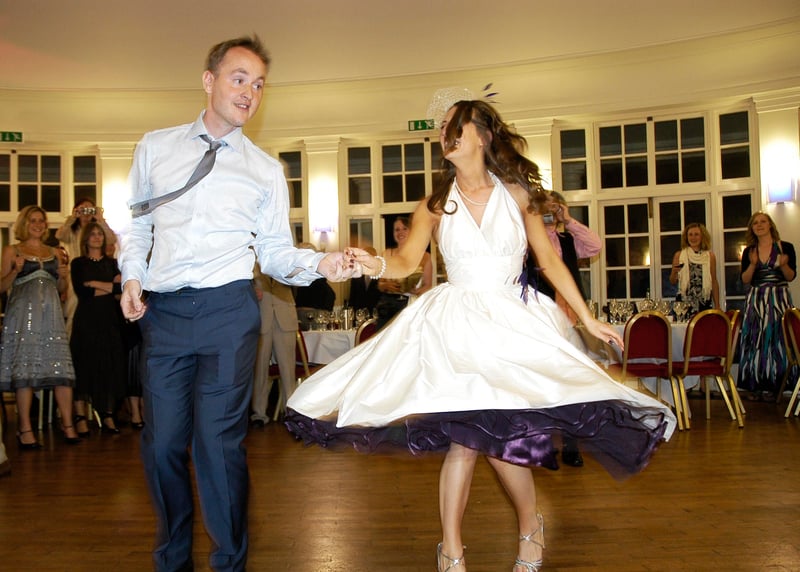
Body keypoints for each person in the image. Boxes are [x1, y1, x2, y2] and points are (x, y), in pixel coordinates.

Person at [285, 99, 676, 572]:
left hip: (509, 326)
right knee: (466, 440)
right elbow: (405, 263)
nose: (444, 132)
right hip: (455, 327)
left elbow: (549, 262)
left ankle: (530, 525)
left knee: (498, 438)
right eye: (442, 126)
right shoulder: (435, 204)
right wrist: (375, 262)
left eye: (454, 124)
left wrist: (587, 318)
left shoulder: (517, 195)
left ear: (483, 136)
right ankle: (451, 549)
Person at [118, 35, 355, 572]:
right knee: (161, 446)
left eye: (260, 84)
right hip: (164, 314)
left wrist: (320, 263)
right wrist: (132, 277)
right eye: (239, 78)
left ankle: (230, 563)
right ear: (209, 81)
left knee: (218, 445)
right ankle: (172, 559)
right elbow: (138, 226)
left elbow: (274, 253)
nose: (250, 92)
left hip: (228, 312)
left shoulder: (265, 170)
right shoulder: (155, 147)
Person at [526, 190, 602, 468]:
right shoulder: (527, 241)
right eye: (544, 208)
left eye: (553, 208)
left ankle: (571, 445)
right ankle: (543, 444)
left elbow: (594, 246)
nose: (549, 213)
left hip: (568, 320)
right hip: (537, 321)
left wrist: (568, 220)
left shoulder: (568, 240)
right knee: (541, 384)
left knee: (571, 383)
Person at [0, 205, 79, 448]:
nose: (38, 224)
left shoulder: (55, 252)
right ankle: (25, 429)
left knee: (61, 369)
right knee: (25, 371)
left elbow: (62, 290)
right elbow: (2, 286)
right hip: (23, 317)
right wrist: (16, 270)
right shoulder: (12, 250)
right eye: (33, 220)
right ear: (24, 223)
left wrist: (64, 277)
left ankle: (68, 425)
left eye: (41, 220)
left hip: (51, 317)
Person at [70, 222, 127, 435]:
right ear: (86, 239)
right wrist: (108, 287)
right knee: (84, 364)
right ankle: (80, 417)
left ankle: (108, 414)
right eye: (92, 234)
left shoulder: (113, 263)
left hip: (109, 319)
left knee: (109, 365)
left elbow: (120, 289)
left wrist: (94, 283)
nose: (96, 237)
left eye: (99, 234)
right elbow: (83, 292)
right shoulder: (78, 263)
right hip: (86, 320)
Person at [737, 212, 796, 401]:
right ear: (752, 228)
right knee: (755, 339)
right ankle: (755, 385)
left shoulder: (786, 247)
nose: (759, 225)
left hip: (779, 298)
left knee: (778, 339)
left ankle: (777, 385)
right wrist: (753, 264)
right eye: (755, 223)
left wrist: (783, 265)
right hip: (756, 299)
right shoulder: (749, 251)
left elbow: (791, 276)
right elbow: (745, 279)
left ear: (770, 225)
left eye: (763, 222)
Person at [55, 196, 118, 336]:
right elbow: (59, 235)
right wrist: (72, 218)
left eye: (90, 209)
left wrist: (100, 219)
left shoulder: (98, 230)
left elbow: (111, 239)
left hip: (95, 271)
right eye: (83, 209)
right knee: (74, 310)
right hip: (76, 273)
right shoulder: (72, 231)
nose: (86, 213)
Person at [250, 265, 298, 427]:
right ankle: (259, 414)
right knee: (260, 368)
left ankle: (290, 412)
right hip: (261, 315)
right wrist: (251, 291)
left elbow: (298, 279)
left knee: (288, 368)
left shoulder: (285, 257)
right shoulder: (252, 258)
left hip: (285, 314)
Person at [374, 216, 433, 330]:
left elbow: (428, 285)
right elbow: (380, 284)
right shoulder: (386, 254)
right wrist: (385, 285)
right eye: (397, 229)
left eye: (404, 228)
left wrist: (416, 291)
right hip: (387, 305)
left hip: (410, 305)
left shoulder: (425, 256)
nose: (400, 232)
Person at [668, 222, 720, 317]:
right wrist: (674, 272)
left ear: (702, 237)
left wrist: (717, 305)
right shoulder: (679, 255)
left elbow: (714, 281)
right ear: (686, 237)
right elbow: (672, 281)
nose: (693, 238)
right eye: (690, 235)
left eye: (696, 234)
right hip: (684, 304)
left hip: (704, 302)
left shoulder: (710, 256)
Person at [348, 246, 381, 314]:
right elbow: (352, 296)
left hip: (375, 314)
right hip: (358, 314)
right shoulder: (356, 274)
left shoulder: (381, 275)